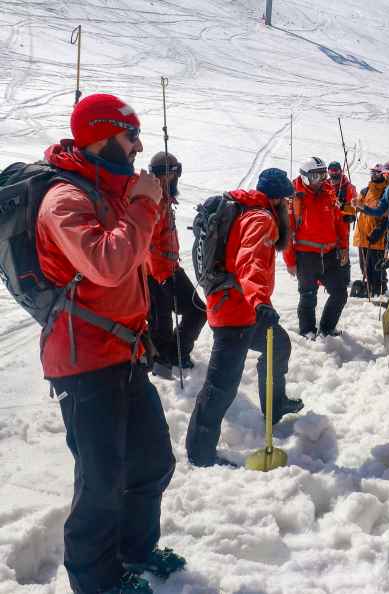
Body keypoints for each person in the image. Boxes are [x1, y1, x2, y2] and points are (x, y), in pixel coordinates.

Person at [36, 93, 181, 593]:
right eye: (130, 134)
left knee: (152, 461)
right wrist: (143, 202)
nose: (139, 145)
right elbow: (109, 263)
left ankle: (134, 552)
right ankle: (95, 582)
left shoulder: (112, 192)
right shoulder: (65, 199)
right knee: (100, 481)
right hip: (82, 361)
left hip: (123, 353)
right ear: (101, 136)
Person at [186, 168, 303, 468]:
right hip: (235, 313)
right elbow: (248, 261)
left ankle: (274, 405)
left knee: (278, 346)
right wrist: (260, 302)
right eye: (287, 201)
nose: (289, 208)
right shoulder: (261, 218)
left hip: (240, 307)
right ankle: (200, 455)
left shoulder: (252, 212)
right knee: (220, 387)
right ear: (277, 199)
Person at [146, 151, 207, 379]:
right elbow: (147, 244)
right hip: (158, 271)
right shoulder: (154, 201)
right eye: (169, 175)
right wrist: (161, 276)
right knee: (174, 317)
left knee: (172, 316)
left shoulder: (164, 198)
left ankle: (173, 353)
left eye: (173, 175)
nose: (172, 180)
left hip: (167, 267)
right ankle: (169, 357)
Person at [283, 156, 350, 338]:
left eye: (323, 175)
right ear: (305, 176)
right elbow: (287, 232)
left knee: (340, 293)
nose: (320, 180)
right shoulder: (294, 197)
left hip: (329, 253)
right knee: (308, 296)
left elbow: (339, 222)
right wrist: (290, 261)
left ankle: (327, 328)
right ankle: (307, 331)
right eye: (315, 177)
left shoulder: (329, 193)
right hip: (306, 255)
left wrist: (343, 247)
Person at [352, 163, 388, 297]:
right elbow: (357, 206)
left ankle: (380, 288)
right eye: (372, 173)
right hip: (363, 234)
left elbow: (386, 213)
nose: (374, 176)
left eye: (377, 173)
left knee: (377, 265)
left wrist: (380, 230)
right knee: (364, 266)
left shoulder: (386, 191)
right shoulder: (365, 190)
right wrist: (354, 205)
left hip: (377, 236)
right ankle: (369, 287)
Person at [327, 161, 357, 225]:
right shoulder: (324, 185)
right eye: (331, 171)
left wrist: (342, 207)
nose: (334, 173)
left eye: (336, 170)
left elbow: (355, 207)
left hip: (341, 225)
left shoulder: (349, 188)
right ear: (328, 172)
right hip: (326, 223)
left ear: (341, 171)